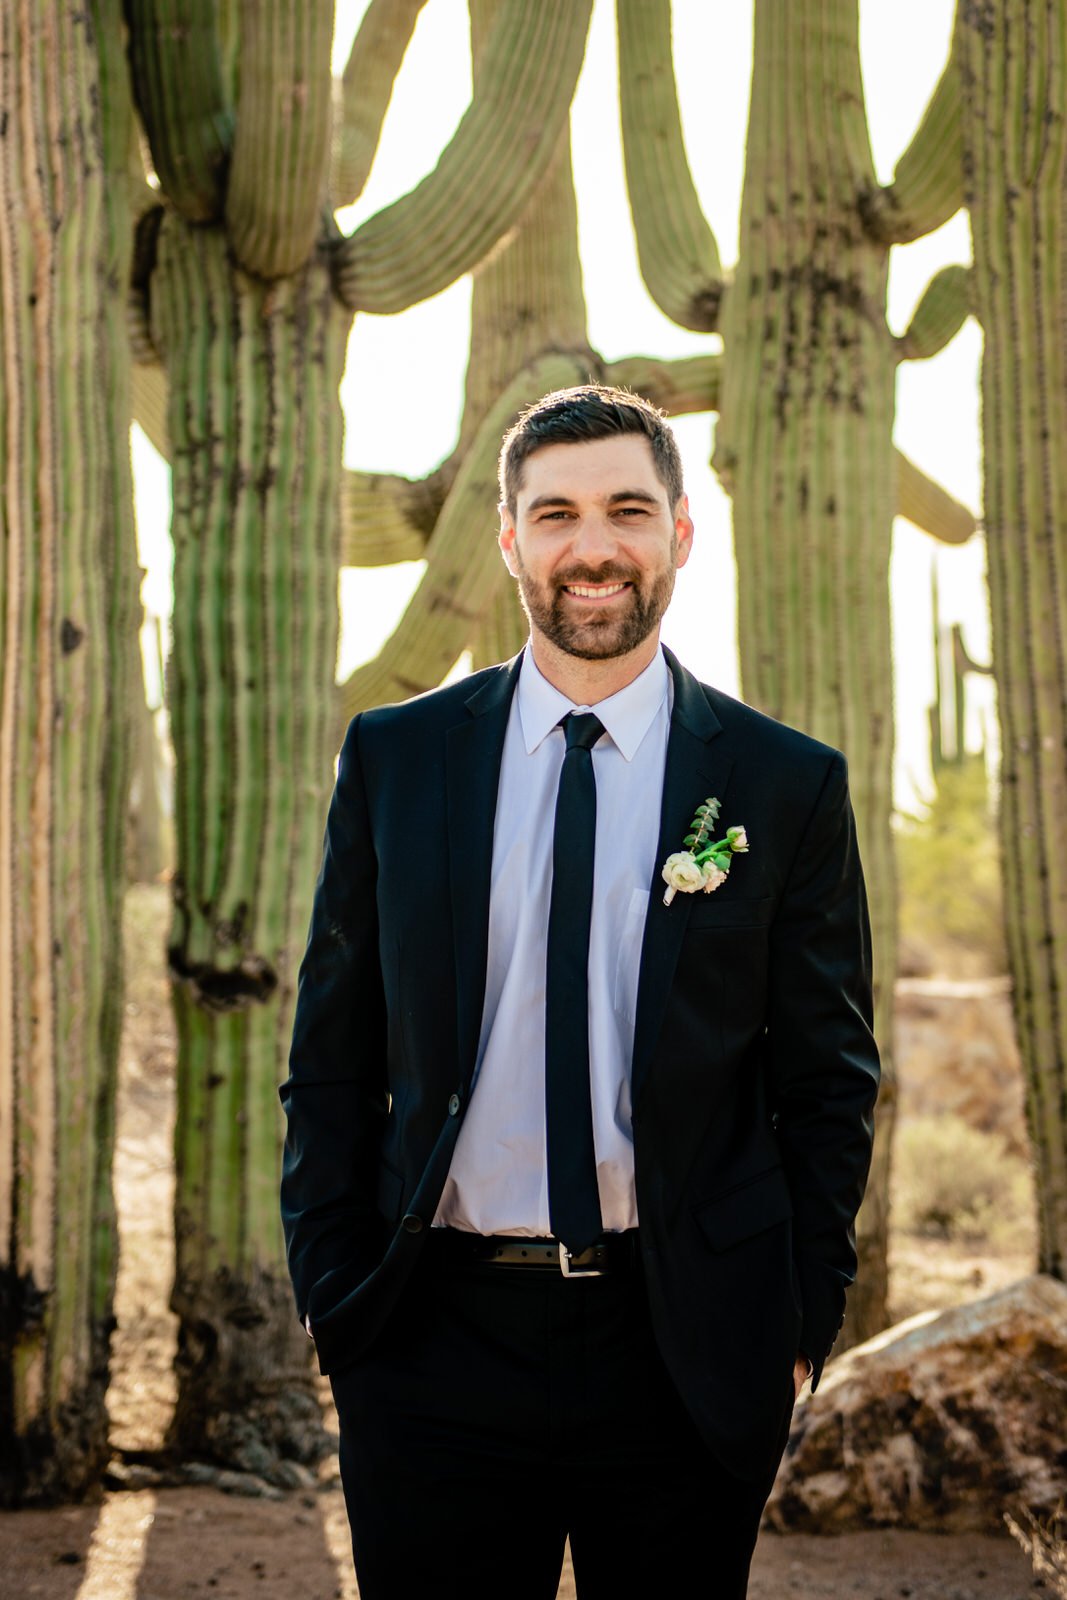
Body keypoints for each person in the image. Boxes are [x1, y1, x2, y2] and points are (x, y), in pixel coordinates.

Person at [280, 385, 880, 1599]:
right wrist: (336, 1296)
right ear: (507, 540)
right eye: (553, 514)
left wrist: (795, 1323)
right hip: (430, 1336)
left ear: (678, 534)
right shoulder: (397, 759)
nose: (591, 546)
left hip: (682, 1336)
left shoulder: (781, 783)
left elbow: (826, 1079)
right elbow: (333, 1054)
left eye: (625, 510)